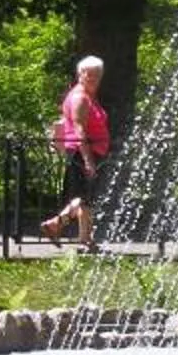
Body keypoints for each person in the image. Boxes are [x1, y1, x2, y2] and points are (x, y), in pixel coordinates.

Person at [40, 55, 109, 249]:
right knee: (83, 196)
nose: (94, 78)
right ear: (80, 74)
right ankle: (56, 223)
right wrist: (88, 160)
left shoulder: (87, 95)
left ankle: (85, 239)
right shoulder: (80, 98)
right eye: (89, 74)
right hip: (84, 151)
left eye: (98, 74)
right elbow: (79, 129)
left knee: (87, 198)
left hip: (89, 151)